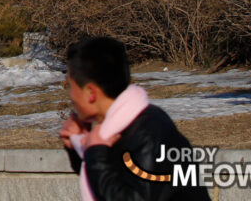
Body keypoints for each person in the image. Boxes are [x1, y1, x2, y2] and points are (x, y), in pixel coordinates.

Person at [59, 36, 210, 201]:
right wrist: (78, 149)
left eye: (71, 86)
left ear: (91, 92)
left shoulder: (149, 133)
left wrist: (95, 153)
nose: (70, 96)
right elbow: (109, 182)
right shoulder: (120, 126)